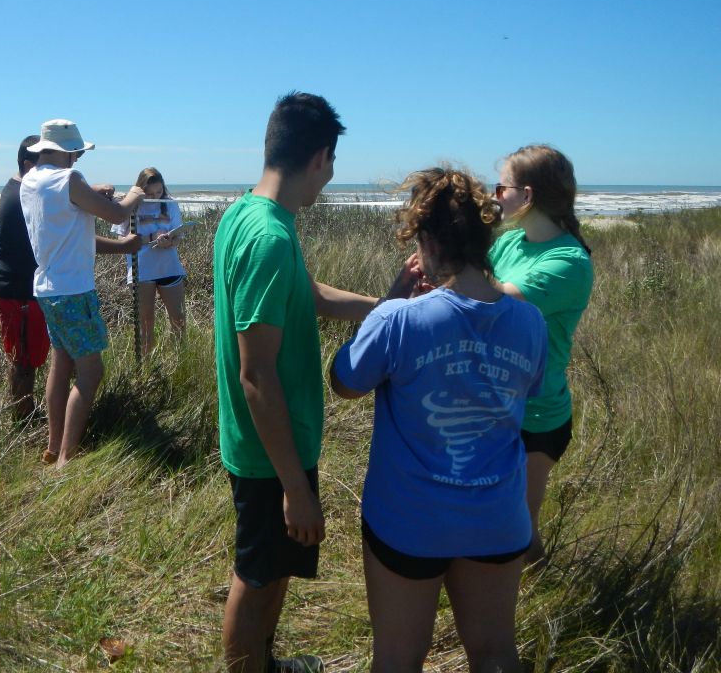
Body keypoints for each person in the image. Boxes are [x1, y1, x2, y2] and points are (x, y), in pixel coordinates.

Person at [330, 167, 548, 673]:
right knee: (494, 652)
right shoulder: (530, 321)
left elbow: (345, 382)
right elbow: (528, 391)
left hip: (409, 520)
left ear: (425, 240)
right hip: (496, 516)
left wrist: (391, 300)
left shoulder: (399, 319)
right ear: (483, 237)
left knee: (399, 658)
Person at [214, 92, 377, 673]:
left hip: (271, 445)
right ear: (320, 157)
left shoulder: (250, 215)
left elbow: (308, 296)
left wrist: (384, 309)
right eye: (330, 167)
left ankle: (264, 660)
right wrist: (295, 489)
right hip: (268, 453)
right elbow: (256, 375)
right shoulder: (269, 238)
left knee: (275, 569)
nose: (328, 181)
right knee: (256, 578)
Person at [0, 133, 141, 441]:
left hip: (44, 289)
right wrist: (135, 196)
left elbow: (61, 210)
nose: (77, 160)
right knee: (85, 372)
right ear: (65, 152)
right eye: (76, 153)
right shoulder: (67, 179)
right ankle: (62, 453)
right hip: (64, 289)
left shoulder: (27, 185)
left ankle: (51, 443)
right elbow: (116, 214)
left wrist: (89, 192)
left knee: (58, 366)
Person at [488, 144, 594, 567]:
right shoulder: (511, 242)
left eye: (502, 187)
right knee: (492, 519)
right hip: (497, 405)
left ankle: (537, 605)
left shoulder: (569, 261)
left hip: (536, 415)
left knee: (520, 528)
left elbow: (497, 300)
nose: (496, 196)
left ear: (527, 196)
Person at [111, 167, 187, 354]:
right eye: (150, 193)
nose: (155, 196)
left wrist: (170, 241)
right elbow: (121, 240)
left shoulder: (169, 203)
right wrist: (151, 238)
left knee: (179, 320)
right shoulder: (130, 204)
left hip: (169, 268)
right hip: (141, 270)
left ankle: (179, 363)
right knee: (145, 324)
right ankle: (145, 369)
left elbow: (178, 237)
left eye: (159, 192)